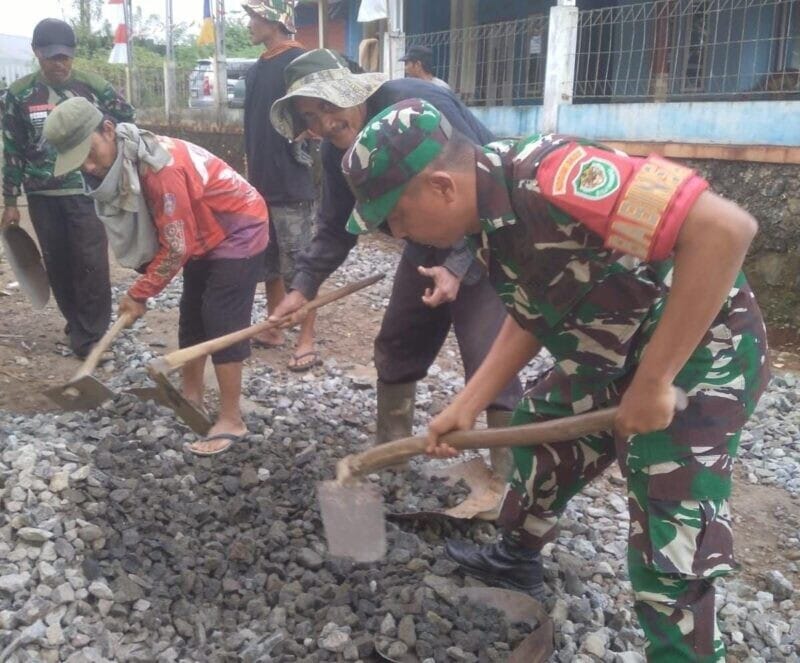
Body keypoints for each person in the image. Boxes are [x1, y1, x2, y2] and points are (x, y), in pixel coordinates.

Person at [342, 98, 771, 662]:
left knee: (673, 535)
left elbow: (726, 230)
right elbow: (535, 304)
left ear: (441, 186)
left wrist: (654, 380)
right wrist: (469, 403)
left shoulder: (555, 178)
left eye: (396, 215)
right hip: (612, 348)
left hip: (698, 353)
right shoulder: (486, 217)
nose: (398, 232)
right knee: (542, 431)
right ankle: (517, 558)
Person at [269, 50, 521, 477]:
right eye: (311, 117)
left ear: (352, 92)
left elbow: (483, 188)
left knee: (487, 354)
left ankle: (508, 480)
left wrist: (459, 266)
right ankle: (392, 454)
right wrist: (302, 288)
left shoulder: (417, 107)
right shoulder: (336, 154)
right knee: (399, 340)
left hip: (485, 233)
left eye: (328, 106)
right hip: (423, 239)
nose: (324, 124)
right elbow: (334, 227)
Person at [43, 96, 269, 457]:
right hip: (201, 230)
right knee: (192, 315)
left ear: (108, 129)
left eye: (89, 152)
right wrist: (143, 289)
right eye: (78, 162)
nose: (88, 166)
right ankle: (190, 397)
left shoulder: (159, 170)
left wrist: (139, 293)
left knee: (222, 319)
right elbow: (178, 239)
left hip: (237, 226)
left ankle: (231, 418)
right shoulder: (128, 157)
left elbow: (177, 248)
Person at [1, 18, 135, 358]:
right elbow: (12, 147)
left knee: (90, 262)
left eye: (65, 57)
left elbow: (126, 119)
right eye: (51, 57)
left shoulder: (92, 86)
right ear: (37, 54)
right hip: (42, 193)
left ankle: (91, 337)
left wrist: (113, 167)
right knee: (58, 262)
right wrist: (10, 199)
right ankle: (77, 324)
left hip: (86, 190)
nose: (59, 64)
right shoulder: (19, 94)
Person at [242, 0, 320, 372]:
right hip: (259, 182)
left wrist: (304, 135)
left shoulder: (300, 61)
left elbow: (322, 109)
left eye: (254, 17)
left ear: (272, 19)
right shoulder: (259, 67)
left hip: (291, 182)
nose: (249, 25)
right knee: (268, 264)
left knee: (300, 265)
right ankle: (274, 327)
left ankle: (306, 338)